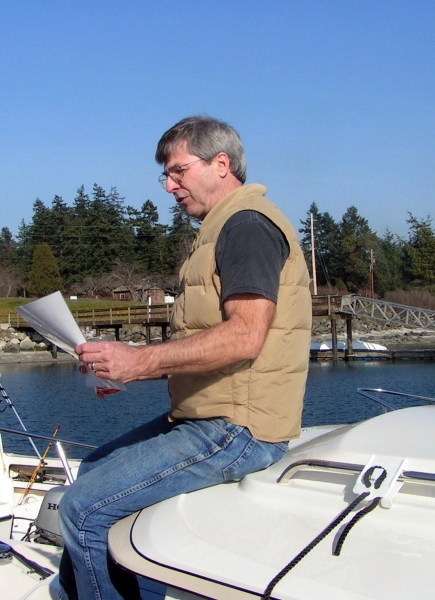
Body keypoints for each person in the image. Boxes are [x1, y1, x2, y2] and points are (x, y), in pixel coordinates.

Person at [58, 116, 312, 599]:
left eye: (178, 171)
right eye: (166, 176)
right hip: (209, 416)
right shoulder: (219, 229)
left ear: (221, 164)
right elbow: (206, 343)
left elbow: (245, 336)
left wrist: (141, 361)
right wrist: (128, 369)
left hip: (239, 428)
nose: (170, 186)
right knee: (93, 469)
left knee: (82, 509)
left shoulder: (247, 226)